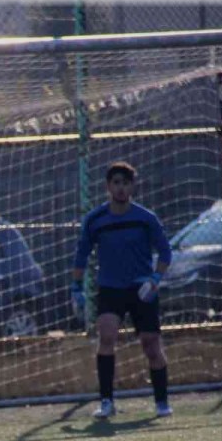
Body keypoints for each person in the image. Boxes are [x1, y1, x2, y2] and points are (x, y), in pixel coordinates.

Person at [70, 161, 174, 420]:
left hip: (142, 290)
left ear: (132, 186)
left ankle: (161, 401)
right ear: (108, 186)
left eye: (126, 183)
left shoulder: (145, 218)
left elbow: (165, 252)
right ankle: (107, 402)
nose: (121, 188)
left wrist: (155, 279)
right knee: (106, 338)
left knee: (151, 345)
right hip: (110, 288)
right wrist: (76, 287)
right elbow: (81, 255)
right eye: (116, 183)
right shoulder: (95, 220)